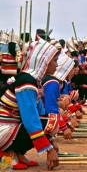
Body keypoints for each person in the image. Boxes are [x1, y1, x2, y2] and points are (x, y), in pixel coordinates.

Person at [0, 38, 59, 170]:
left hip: (9, 127)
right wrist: (49, 149)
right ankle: (4, 157)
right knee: (49, 122)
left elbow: (41, 113)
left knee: (49, 121)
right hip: (3, 129)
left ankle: (17, 153)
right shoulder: (26, 83)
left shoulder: (34, 82)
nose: (56, 65)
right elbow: (30, 120)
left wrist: (51, 140)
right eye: (54, 61)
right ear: (45, 61)